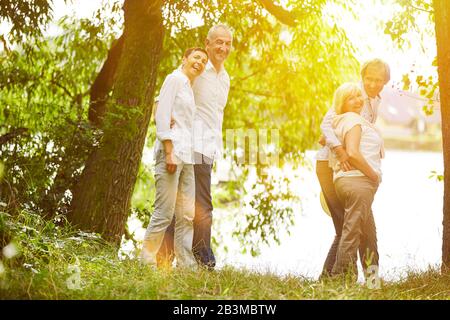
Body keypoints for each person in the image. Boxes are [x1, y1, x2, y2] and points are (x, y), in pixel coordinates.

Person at [157, 24, 233, 270]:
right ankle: (203, 260)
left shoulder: (225, 78)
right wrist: (160, 114)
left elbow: (215, 115)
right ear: (208, 43)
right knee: (203, 205)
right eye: (218, 42)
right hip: (192, 144)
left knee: (184, 207)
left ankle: (164, 257)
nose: (223, 47)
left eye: (228, 43)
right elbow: (170, 90)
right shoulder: (198, 68)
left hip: (208, 148)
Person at [316, 59, 390, 277]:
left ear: (385, 81)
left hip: (355, 172)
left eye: (379, 80)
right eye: (369, 79)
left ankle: (371, 280)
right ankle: (331, 280)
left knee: (365, 230)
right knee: (345, 229)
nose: (374, 84)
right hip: (332, 166)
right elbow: (325, 127)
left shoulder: (375, 100)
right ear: (362, 76)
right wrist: (340, 150)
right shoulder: (352, 96)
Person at [140, 47, 209, 268]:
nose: (200, 62)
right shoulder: (175, 79)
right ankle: (146, 262)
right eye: (196, 57)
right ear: (185, 59)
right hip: (172, 154)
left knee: (186, 214)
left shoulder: (188, 86)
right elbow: (161, 115)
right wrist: (169, 151)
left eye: (203, 61)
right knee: (164, 212)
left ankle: (186, 264)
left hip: (187, 157)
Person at [326, 82, 384, 278]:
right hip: (359, 182)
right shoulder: (352, 120)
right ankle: (339, 282)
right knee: (352, 234)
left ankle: (372, 282)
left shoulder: (346, 120)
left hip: (352, 182)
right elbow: (352, 153)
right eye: (351, 98)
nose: (358, 100)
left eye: (359, 96)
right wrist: (373, 175)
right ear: (342, 104)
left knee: (369, 236)